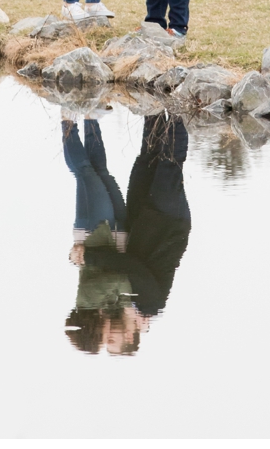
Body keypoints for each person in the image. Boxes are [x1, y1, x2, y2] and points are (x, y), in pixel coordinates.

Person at [63, 112, 192, 355]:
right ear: (131, 335)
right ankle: (178, 108)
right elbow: (132, 267)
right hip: (168, 222)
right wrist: (89, 257)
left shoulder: (123, 304)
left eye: (106, 341)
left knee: (146, 160)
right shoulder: (149, 305)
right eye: (114, 341)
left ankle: (154, 103)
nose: (108, 336)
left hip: (141, 219)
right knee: (168, 164)